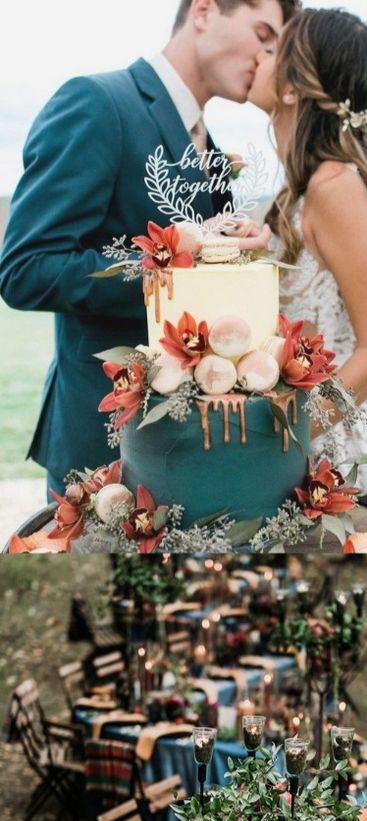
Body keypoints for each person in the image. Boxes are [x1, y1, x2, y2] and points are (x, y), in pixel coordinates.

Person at [0, 0, 297, 500]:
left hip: (189, 453)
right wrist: (171, 263)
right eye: (264, 35)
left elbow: (200, 280)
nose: (268, 58)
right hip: (101, 452)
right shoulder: (97, 102)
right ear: (204, 10)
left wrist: (232, 253)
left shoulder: (212, 147)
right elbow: (26, 269)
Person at [248, 8, 367, 551]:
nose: (259, 57)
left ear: (291, 88)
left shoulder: (335, 189)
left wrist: (285, 441)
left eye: (273, 48)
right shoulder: (311, 187)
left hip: (344, 443)